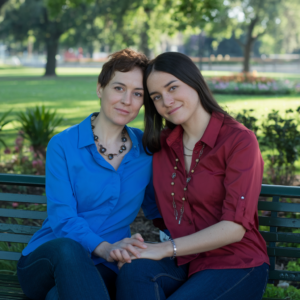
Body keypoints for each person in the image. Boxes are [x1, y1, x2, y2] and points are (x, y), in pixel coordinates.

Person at [116, 52, 270, 300]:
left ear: (194, 82)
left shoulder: (238, 141)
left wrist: (165, 248)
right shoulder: (161, 146)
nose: (166, 100)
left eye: (173, 87)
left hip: (236, 263)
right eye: (156, 96)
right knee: (135, 271)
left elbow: (234, 228)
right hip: (184, 260)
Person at [17, 49, 161, 300]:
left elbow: (158, 208)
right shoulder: (63, 145)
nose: (127, 100)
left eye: (137, 93)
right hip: (48, 258)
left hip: (105, 266)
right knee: (69, 249)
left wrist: (181, 245)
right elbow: (62, 218)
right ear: (100, 88)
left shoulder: (145, 150)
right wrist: (105, 248)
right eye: (119, 88)